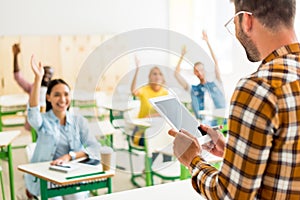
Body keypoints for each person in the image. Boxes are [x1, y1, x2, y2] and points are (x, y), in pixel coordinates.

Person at [169, 0, 300, 199]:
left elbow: (230, 195)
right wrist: (234, 150)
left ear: (246, 20)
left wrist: (193, 159)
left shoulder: (258, 88)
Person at [25, 55, 101, 199]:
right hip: (45, 178)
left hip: (71, 176)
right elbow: (33, 112)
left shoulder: (79, 122)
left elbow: (95, 148)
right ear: (48, 97)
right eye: (57, 95)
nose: (62, 99)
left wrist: (70, 156)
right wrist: (38, 78)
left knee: (77, 197)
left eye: (66, 94)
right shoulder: (43, 121)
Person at [174, 31, 226, 123]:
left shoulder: (216, 83)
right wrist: (182, 55)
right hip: (203, 123)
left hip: (220, 122)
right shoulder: (193, 89)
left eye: (201, 70)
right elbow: (176, 74)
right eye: (197, 71)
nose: (200, 73)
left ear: (204, 70)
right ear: (194, 73)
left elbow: (216, 63)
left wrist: (207, 42)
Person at [12, 43, 54, 130]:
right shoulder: (32, 87)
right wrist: (15, 56)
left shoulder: (55, 89)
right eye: (44, 72)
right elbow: (18, 77)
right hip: (35, 121)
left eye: (49, 74)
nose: (46, 75)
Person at [130, 55, 168, 146]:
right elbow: (133, 91)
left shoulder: (165, 92)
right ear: (150, 77)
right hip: (141, 129)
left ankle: (166, 159)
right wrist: (137, 70)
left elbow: (166, 112)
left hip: (156, 127)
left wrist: (153, 115)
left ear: (162, 78)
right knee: (156, 141)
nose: (157, 76)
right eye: (154, 74)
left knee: (165, 140)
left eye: (160, 74)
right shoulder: (144, 89)